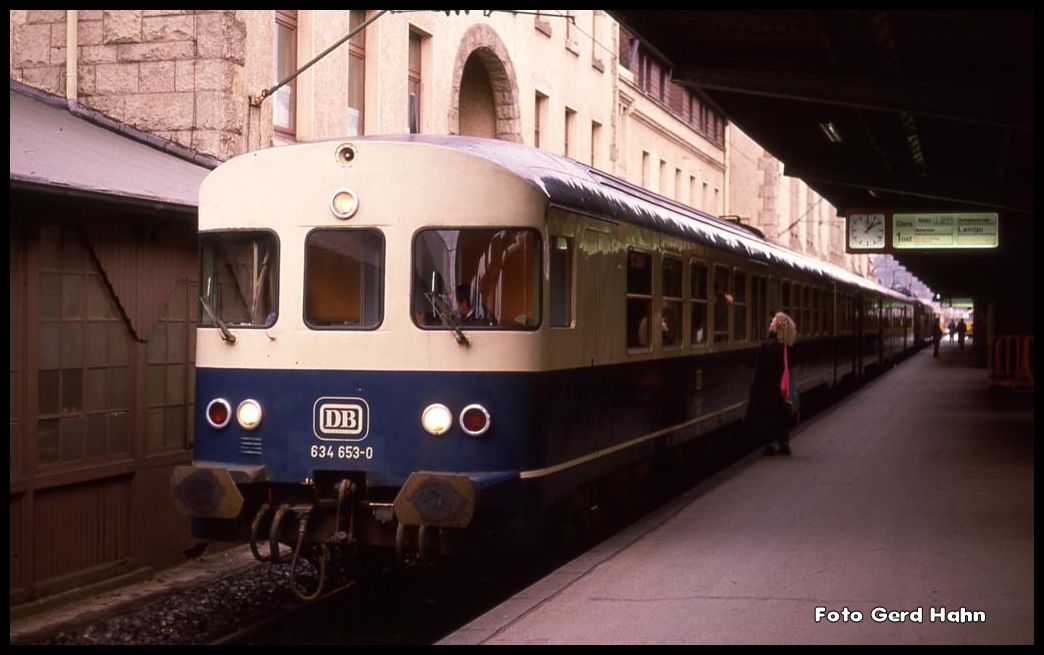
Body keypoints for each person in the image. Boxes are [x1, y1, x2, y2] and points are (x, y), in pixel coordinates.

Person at [745, 312, 798, 456]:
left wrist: (754, 390)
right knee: (782, 415)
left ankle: (769, 445)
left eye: (772, 322)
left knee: (768, 416)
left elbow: (761, 370)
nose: (770, 324)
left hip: (768, 389)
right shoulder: (788, 345)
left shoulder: (767, 345)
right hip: (783, 387)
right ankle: (784, 443)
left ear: (777, 326)